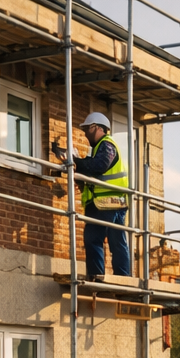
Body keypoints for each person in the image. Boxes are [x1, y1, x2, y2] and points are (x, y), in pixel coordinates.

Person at [66, 112, 131, 280]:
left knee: (93, 238)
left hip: (105, 202)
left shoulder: (106, 144)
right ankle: (123, 277)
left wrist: (76, 162)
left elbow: (100, 165)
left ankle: (96, 276)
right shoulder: (104, 147)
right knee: (117, 241)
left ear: (97, 128)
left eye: (88, 129)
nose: (86, 133)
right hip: (115, 201)